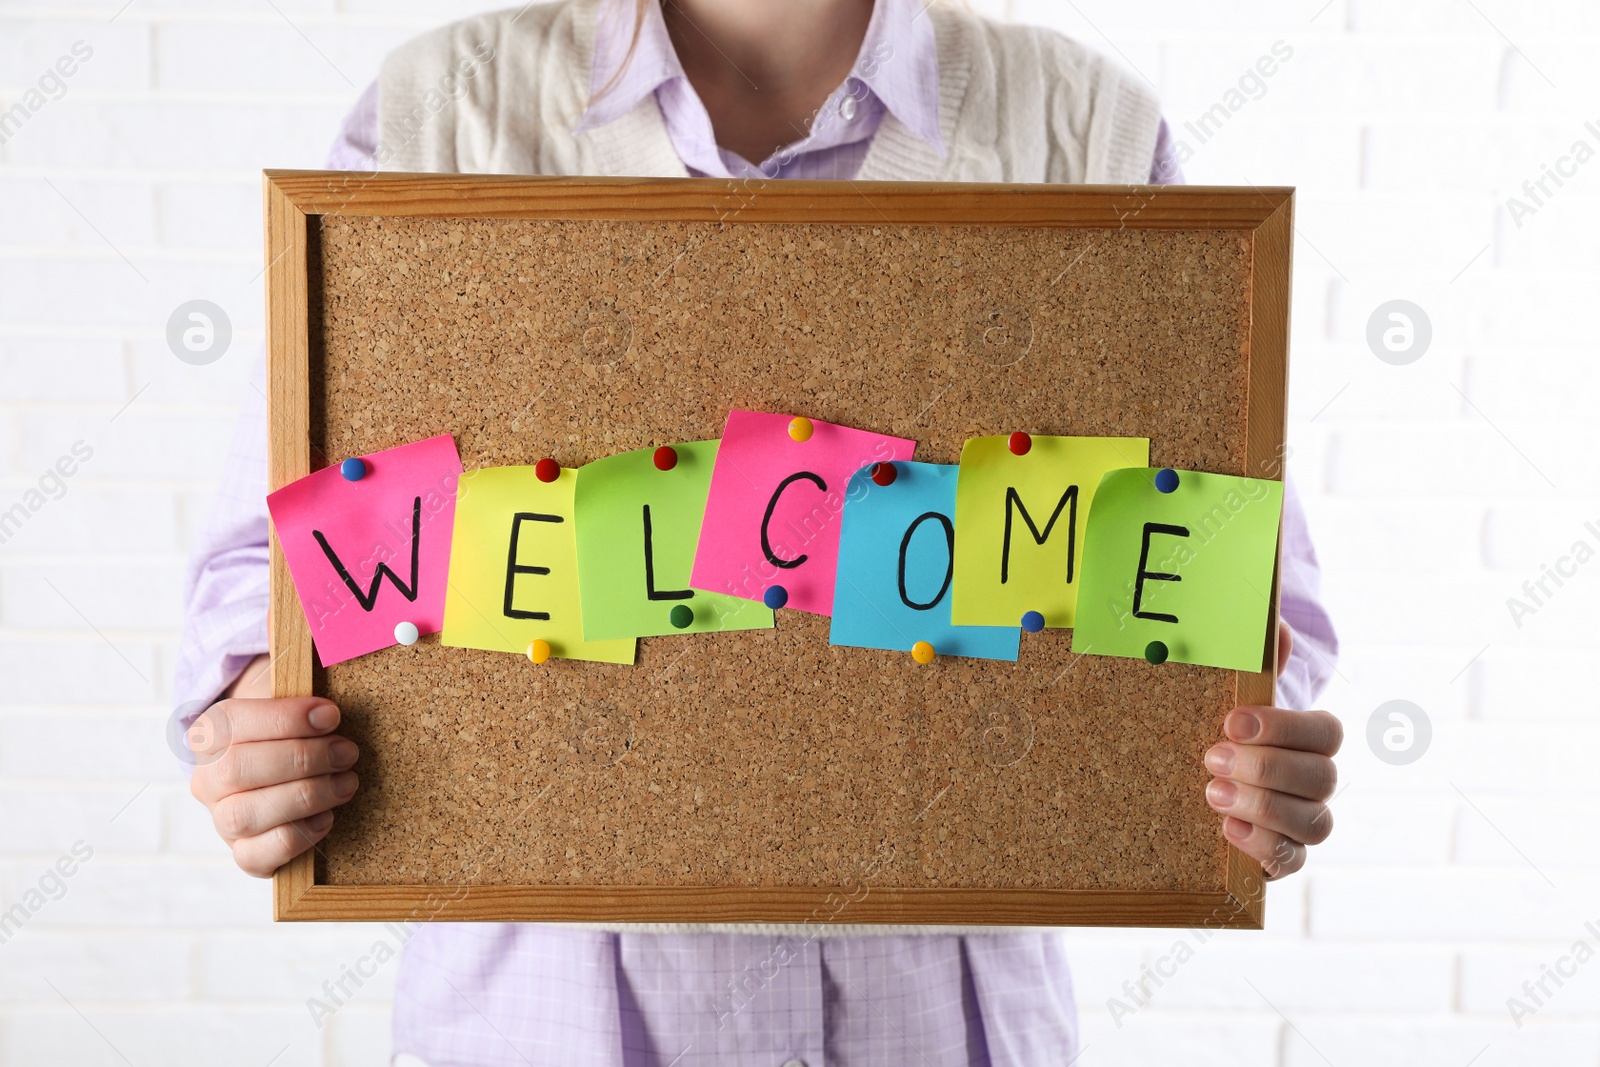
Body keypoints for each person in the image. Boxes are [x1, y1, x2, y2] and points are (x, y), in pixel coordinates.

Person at [178, 0, 1342, 1063]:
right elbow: (266, 575)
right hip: (545, 1017)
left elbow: (1241, 593)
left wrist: (1246, 765)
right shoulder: (438, 113)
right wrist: (256, 729)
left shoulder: (1086, 126)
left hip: (939, 1016)